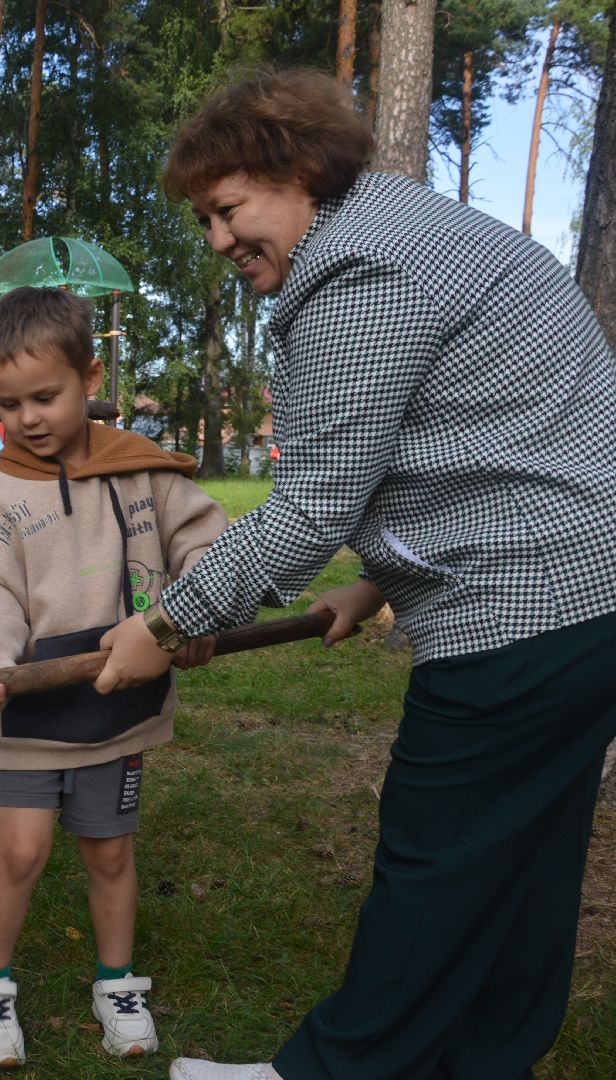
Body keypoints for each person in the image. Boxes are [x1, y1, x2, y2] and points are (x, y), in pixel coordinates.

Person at [90, 70, 616, 1080]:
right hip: (588, 598)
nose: (216, 241)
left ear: (294, 171)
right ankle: (487, 1060)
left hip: (527, 612)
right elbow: (474, 432)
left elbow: (311, 506)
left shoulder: (357, 272)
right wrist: (373, 584)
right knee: (521, 867)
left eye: (226, 208)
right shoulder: (416, 226)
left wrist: (161, 623)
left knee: (436, 856)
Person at [0, 287, 226, 1067]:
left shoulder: (141, 471)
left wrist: (189, 615)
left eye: (46, 396)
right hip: (30, 714)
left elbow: (202, 539)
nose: (28, 418)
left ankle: (117, 982)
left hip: (119, 710)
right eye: (9, 403)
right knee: (22, 851)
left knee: (109, 851)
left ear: (89, 376)